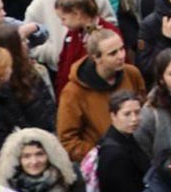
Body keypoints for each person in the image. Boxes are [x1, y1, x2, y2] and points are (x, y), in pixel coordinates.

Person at [57, 27, 146, 164]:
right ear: (96, 58)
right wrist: (103, 152)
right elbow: (68, 140)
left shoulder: (132, 74)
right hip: (105, 163)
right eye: (113, 53)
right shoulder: (73, 92)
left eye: (122, 49)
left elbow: (143, 108)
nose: (121, 56)